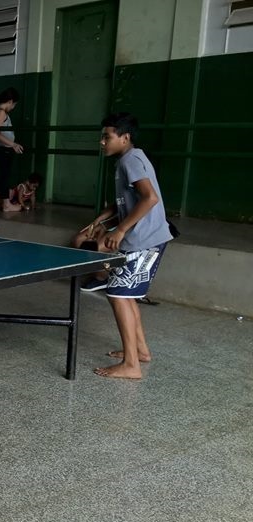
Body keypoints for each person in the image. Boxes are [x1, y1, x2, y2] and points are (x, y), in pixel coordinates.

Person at [90, 113, 174, 380]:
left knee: (117, 295)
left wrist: (122, 229)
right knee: (125, 295)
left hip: (143, 240)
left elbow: (149, 198)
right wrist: (103, 218)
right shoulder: (128, 160)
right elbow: (128, 201)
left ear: (124, 138)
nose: (102, 142)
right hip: (142, 240)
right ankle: (141, 351)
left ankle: (131, 365)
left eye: (107, 137)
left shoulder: (132, 160)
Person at [0, 88, 24, 212]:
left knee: (3, 175)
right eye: (13, 105)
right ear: (10, 101)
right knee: (5, 177)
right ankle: (7, 204)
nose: (13, 107)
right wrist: (13, 144)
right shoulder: (1, 113)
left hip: (2, 149)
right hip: (2, 149)